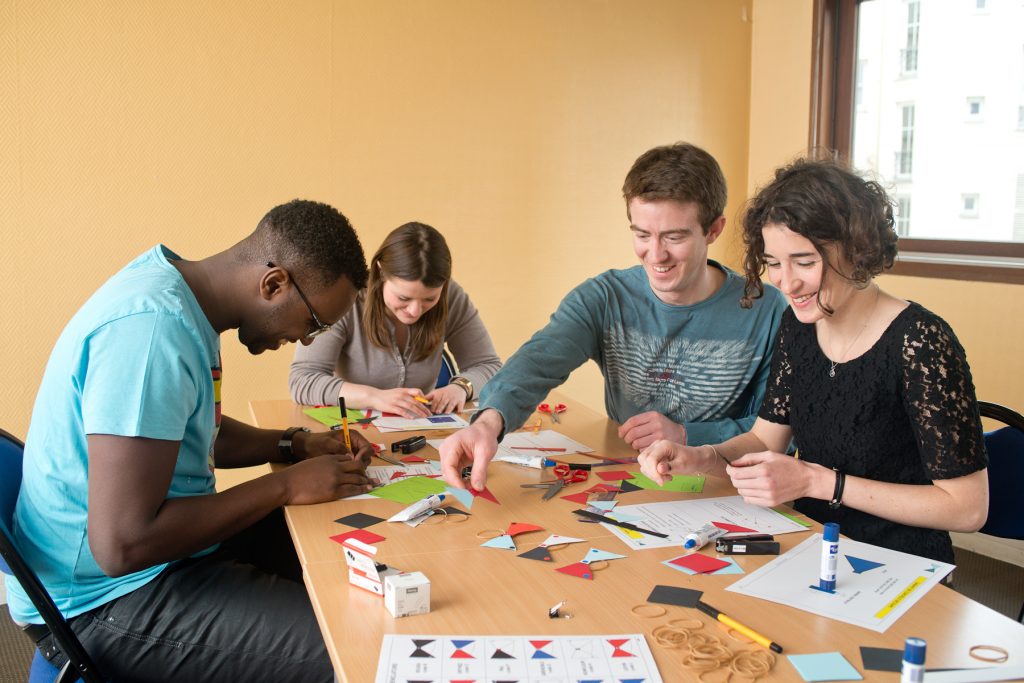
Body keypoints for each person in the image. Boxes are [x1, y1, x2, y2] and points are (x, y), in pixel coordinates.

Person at [9, 199, 375, 682]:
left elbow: (197, 435)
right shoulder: (153, 331)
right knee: (363, 650)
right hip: (102, 600)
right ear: (274, 284)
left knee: (345, 551)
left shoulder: (185, 301)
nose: (308, 341)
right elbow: (121, 545)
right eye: (314, 323)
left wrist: (293, 445)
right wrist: (285, 485)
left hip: (162, 557)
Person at [638, 158, 989, 564]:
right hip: (808, 543)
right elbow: (765, 441)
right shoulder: (799, 325)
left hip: (900, 562)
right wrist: (703, 457)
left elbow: (967, 509)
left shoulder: (921, 341)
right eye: (773, 263)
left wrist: (818, 481)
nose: (787, 283)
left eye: (805, 262)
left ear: (857, 250)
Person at [441, 142, 786, 491]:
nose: (656, 254)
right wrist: (487, 423)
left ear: (714, 229)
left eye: (674, 237)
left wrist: (687, 435)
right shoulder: (604, 298)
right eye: (642, 235)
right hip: (633, 486)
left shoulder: (767, 311)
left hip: (726, 491)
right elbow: (536, 363)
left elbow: (778, 433)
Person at [289, 221, 501, 417]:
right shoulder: (347, 297)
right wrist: (374, 397)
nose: (415, 311)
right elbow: (303, 380)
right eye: (403, 297)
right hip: (355, 432)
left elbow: (489, 366)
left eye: (430, 298)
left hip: (421, 431)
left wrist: (461, 387)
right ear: (381, 272)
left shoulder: (451, 296)